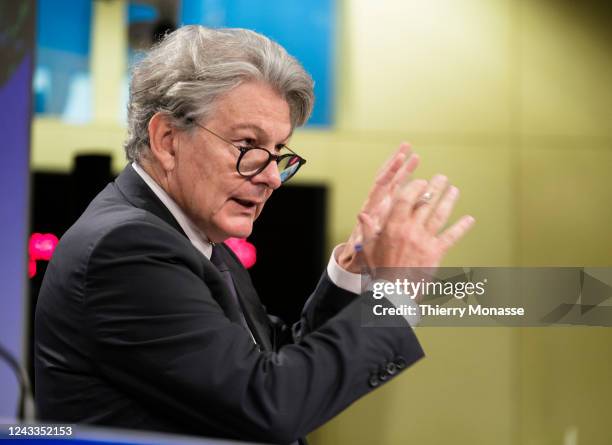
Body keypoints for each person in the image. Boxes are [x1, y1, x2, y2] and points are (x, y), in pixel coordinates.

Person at [34, 26, 474, 444]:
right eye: (248, 146)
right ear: (167, 139)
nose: (272, 177)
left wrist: (353, 271)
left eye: (279, 152)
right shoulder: (127, 249)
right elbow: (270, 400)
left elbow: (265, 360)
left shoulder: (195, 235)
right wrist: (396, 292)